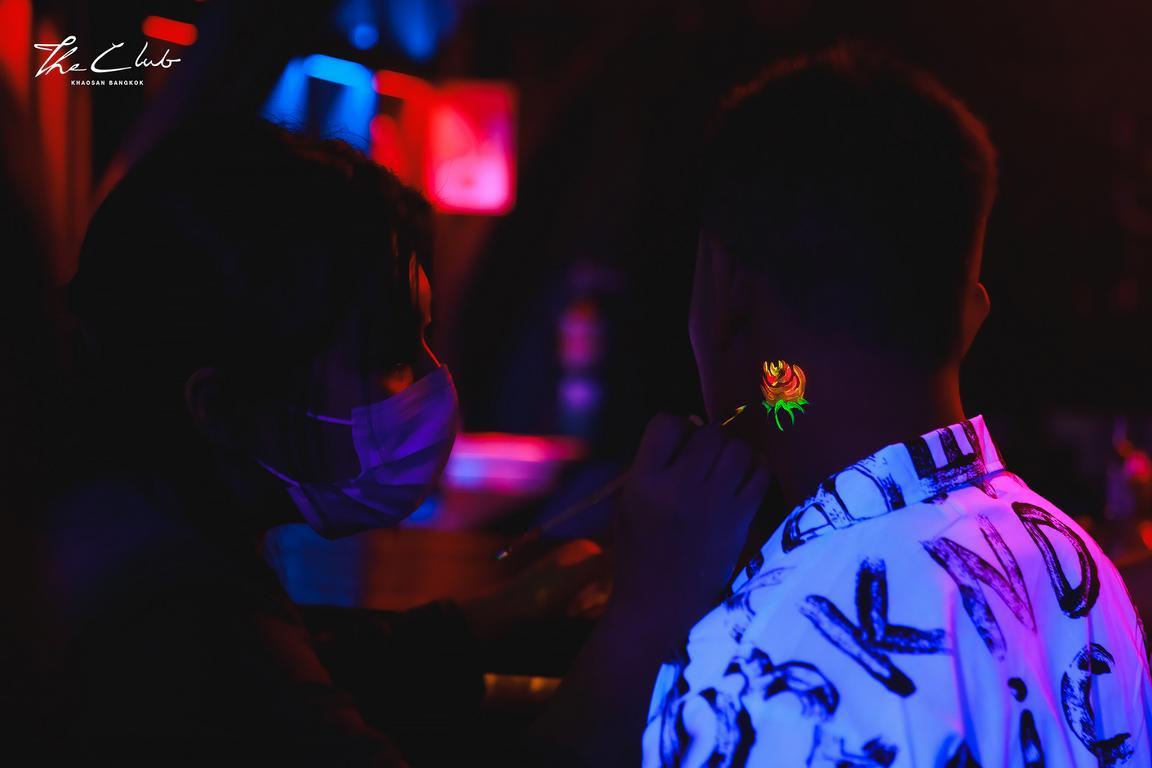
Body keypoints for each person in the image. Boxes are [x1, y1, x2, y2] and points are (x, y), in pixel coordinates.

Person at [530, 44, 1152, 766]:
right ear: (970, 316)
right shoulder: (1080, 568)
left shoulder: (764, 665)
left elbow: (779, 394)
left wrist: (642, 620)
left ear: (727, 294)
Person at [46, 115, 597, 766]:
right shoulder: (169, 621)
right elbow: (269, 696)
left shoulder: (115, 527)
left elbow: (316, 667)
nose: (436, 381)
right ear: (224, 409)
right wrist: (645, 619)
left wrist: (492, 616)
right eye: (392, 354)